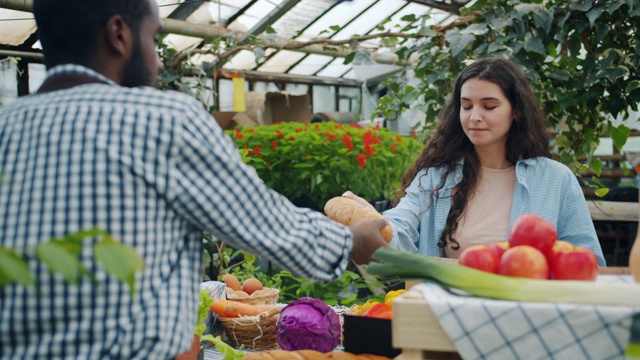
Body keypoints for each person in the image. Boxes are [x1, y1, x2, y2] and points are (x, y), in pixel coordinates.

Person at [0, 0, 389, 358]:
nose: (154, 58)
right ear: (119, 35)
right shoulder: (161, 119)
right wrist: (351, 240)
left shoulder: (6, 129)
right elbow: (259, 220)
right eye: (152, 38)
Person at [345, 58, 605, 266]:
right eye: (466, 106)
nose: (474, 117)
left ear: (515, 111)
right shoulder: (436, 177)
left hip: (531, 313)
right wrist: (376, 222)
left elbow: (587, 258)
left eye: (489, 106)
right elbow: (403, 224)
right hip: (448, 311)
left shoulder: (555, 179)